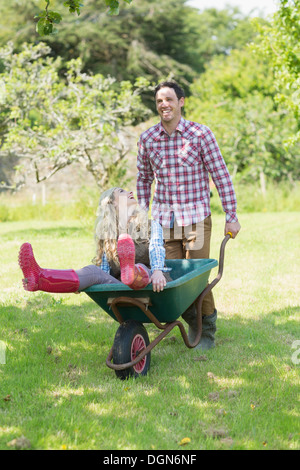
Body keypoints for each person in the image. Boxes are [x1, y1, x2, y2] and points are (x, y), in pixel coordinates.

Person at [136, 80, 241, 350]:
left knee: (196, 279)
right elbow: (143, 180)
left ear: (181, 102)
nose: (164, 105)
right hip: (163, 222)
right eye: (159, 100)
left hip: (196, 219)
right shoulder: (148, 139)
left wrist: (231, 214)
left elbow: (221, 176)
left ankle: (206, 331)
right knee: (168, 277)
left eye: (169, 99)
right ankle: (190, 323)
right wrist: (139, 218)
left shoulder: (200, 134)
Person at [18, 187, 170, 294]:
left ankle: (132, 272)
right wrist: (82, 281)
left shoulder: (151, 225)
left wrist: (157, 272)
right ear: (113, 204)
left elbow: (156, 248)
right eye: (122, 192)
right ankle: (39, 278)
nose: (130, 192)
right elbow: (104, 273)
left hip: (153, 285)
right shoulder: (108, 235)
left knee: (140, 266)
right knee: (92, 272)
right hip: (123, 290)